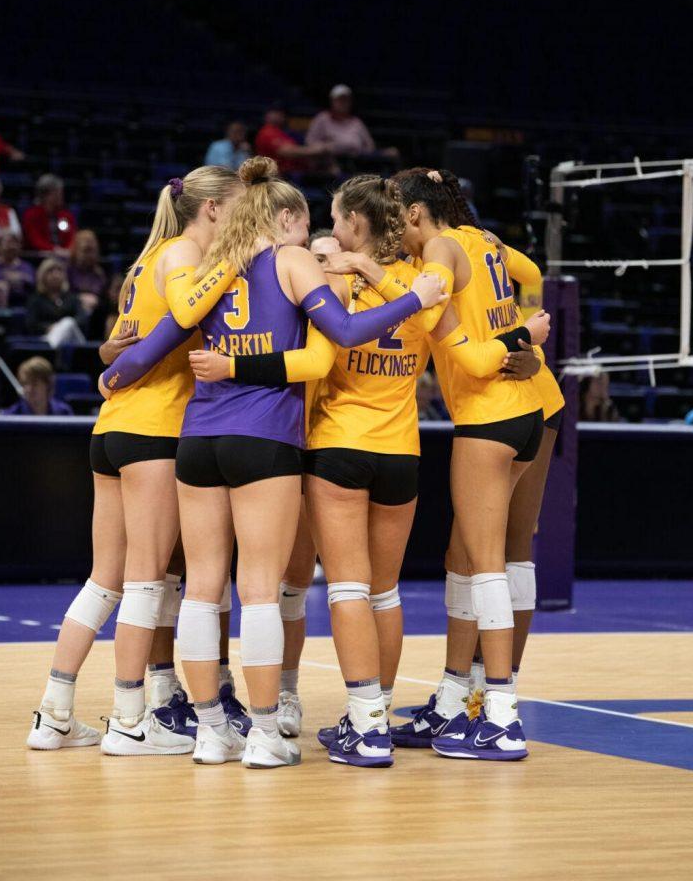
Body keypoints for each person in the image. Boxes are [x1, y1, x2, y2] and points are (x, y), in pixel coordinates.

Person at [101, 157, 445, 768]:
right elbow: (339, 330)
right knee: (260, 590)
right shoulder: (292, 263)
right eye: (307, 220)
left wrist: (112, 373)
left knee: (204, 592)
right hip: (265, 441)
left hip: (198, 440)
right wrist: (413, 297)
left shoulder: (213, 268)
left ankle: (209, 731)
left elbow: (157, 342)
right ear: (284, 217)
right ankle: (264, 732)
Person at [27, 166, 247, 756]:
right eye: (240, 208)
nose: (246, 217)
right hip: (152, 432)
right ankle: (130, 720)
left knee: (105, 582)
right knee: (145, 582)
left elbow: (125, 338)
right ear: (212, 210)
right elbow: (184, 316)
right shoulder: (183, 259)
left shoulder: (146, 260)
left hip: (113, 431)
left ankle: (54, 715)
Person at [385, 168, 548, 763]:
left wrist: (513, 340)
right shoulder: (483, 240)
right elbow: (530, 278)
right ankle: (458, 701)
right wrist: (529, 336)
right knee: (472, 558)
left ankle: (500, 714)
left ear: (413, 215)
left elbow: (471, 355)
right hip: (526, 414)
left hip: (489, 415)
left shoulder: (440, 249)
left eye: (394, 216)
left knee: (486, 567)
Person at [305, 85, 381, 158]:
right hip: (329, 162)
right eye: (339, 100)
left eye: (345, 100)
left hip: (356, 162)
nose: (343, 103)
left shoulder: (357, 122)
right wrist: (325, 147)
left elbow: (370, 146)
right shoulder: (322, 118)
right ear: (332, 101)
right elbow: (309, 142)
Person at [25, 258, 86, 347]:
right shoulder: (35, 299)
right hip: (46, 337)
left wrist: (60, 327)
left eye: (59, 271)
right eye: (51, 271)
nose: (56, 274)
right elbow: (31, 324)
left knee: (68, 322)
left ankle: (50, 350)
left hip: (74, 340)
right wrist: (48, 327)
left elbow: (82, 318)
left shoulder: (72, 298)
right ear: (42, 276)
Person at [254, 108, 329, 178]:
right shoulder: (267, 131)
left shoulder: (284, 132)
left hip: (294, 173)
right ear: (267, 115)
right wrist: (315, 150)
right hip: (278, 176)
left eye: (280, 113)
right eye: (275, 113)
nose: (278, 116)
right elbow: (286, 152)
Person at [22, 174, 78, 255]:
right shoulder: (31, 215)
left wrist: (67, 250)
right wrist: (54, 250)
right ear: (46, 195)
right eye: (58, 193)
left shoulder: (66, 216)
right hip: (39, 257)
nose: (61, 197)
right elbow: (35, 241)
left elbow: (71, 237)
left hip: (64, 255)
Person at [0, 356, 74, 416]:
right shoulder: (9, 416)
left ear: (48, 385)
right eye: (25, 383)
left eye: (35, 384)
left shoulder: (64, 413)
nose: (29, 389)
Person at [68, 230, 107, 316]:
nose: (89, 255)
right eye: (85, 250)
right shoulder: (68, 271)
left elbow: (105, 298)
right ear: (76, 250)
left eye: (92, 251)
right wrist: (80, 298)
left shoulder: (99, 273)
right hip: (73, 311)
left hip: (97, 313)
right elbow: (63, 297)